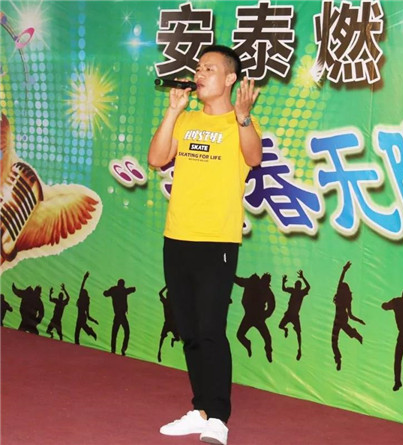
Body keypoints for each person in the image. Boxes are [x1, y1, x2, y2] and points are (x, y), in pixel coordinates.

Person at [148, 44, 262, 445]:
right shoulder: (187, 119)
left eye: (209, 69)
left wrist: (244, 117)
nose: (199, 74)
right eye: (198, 68)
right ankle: (200, 409)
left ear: (230, 79)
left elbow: (254, 157)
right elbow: (156, 159)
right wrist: (172, 111)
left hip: (217, 241)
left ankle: (218, 417)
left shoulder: (241, 122)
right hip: (177, 236)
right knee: (190, 329)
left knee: (211, 329)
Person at [279, 270, 310, 360]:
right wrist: (283, 282)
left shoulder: (301, 293)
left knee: (298, 333)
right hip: (289, 314)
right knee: (280, 326)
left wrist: (303, 277)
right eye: (296, 285)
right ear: (295, 286)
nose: (297, 287)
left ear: (299, 287)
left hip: (295, 316)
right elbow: (284, 289)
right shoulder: (293, 291)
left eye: (298, 286)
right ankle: (286, 329)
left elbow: (308, 287)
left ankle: (299, 349)